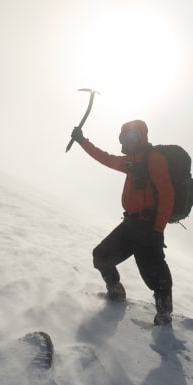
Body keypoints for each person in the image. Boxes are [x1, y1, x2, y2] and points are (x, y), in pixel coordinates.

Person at [70, 119, 175, 325]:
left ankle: (164, 314)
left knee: (154, 275)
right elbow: (106, 158)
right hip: (130, 225)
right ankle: (116, 291)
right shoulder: (130, 161)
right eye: (124, 138)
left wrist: (158, 231)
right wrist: (83, 141)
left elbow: (167, 197)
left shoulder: (154, 159)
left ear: (142, 137)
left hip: (147, 228)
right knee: (101, 256)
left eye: (132, 137)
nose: (128, 142)